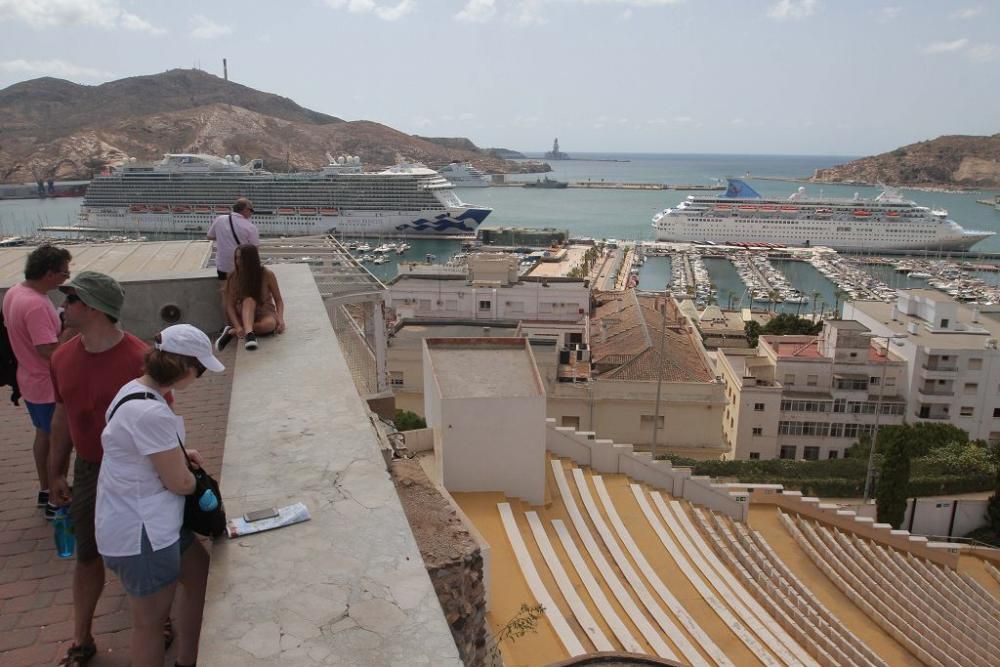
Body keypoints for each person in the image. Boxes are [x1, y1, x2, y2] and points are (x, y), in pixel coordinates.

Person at [47, 271, 164, 666]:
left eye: (71, 300)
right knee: (87, 555)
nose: (63, 307)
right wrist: (56, 471)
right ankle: (82, 639)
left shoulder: (139, 359)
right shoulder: (62, 357)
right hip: (91, 470)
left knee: (144, 552)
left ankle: (156, 618)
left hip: (137, 471)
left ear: (94, 307)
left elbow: (162, 428)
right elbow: (62, 416)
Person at [98, 324, 222, 667]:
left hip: (148, 523)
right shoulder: (151, 412)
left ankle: (188, 659)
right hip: (143, 534)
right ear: (184, 365)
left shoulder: (131, 391)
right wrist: (194, 480)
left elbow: (143, 452)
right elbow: (179, 484)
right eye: (198, 369)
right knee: (149, 626)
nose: (198, 377)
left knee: (200, 574)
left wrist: (178, 457)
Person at [1, 244, 71, 518]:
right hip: (47, 385)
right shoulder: (35, 304)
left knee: (43, 436)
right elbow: (49, 351)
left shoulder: (16, 292)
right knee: (60, 442)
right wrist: (71, 330)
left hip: (29, 380)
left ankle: (46, 489)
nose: (67, 277)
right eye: (64, 273)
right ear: (49, 273)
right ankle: (58, 498)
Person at [215, 244, 285, 352]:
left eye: (241, 258)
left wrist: (280, 319)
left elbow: (278, 300)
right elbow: (230, 306)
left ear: (251, 260)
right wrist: (238, 325)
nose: (238, 261)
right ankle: (249, 335)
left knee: (269, 325)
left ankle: (231, 332)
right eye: (236, 258)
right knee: (249, 300)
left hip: (264, 312)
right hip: (242, 314)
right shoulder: (233, 277)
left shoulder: (267, 274)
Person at [206, 197, 259, 281]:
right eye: (251, 210)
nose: (252, 213)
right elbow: (254, 250)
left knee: (225, 291)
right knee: (242, 291)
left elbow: (210, 236)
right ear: (245, 210)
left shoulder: (220, 219)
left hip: (223, 265)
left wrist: (223, 236)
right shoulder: (250, 227)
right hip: (241, 266)